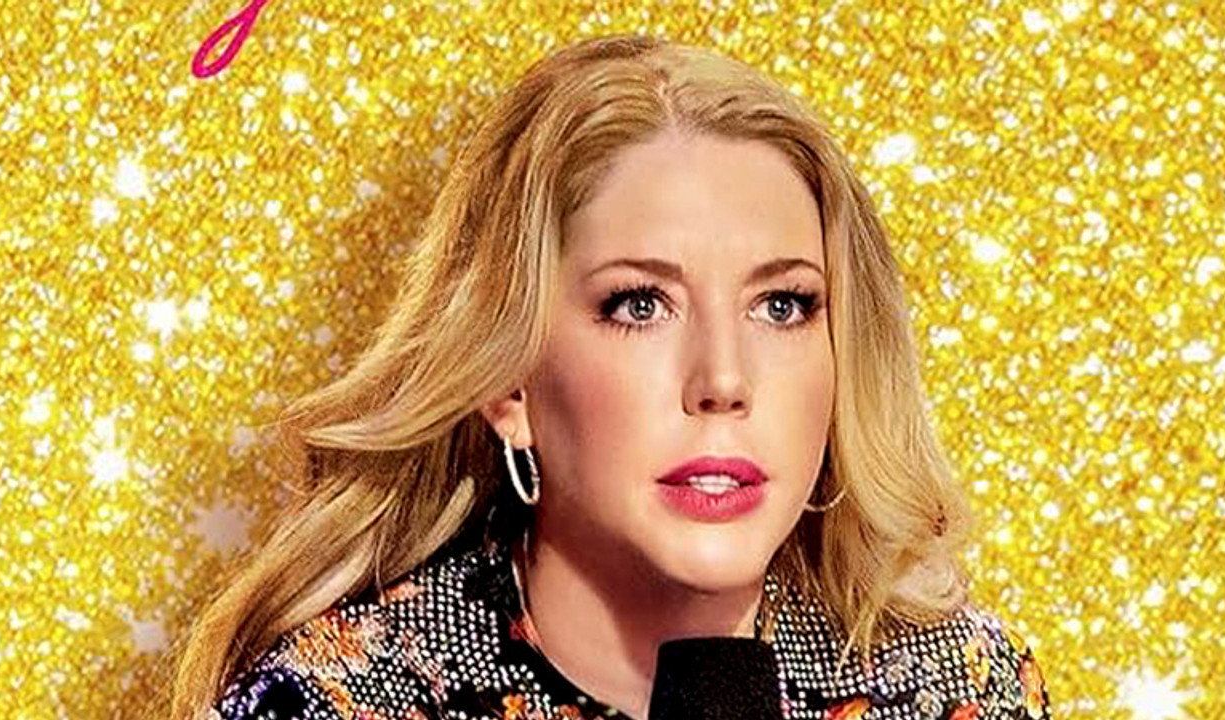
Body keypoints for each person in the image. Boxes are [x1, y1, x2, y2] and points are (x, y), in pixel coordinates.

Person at [169, 33, 1052, 720]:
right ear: (508, 383)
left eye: (782, 306)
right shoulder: (338, 699)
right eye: (639, 305)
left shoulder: (955, 688)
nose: (723, 380)